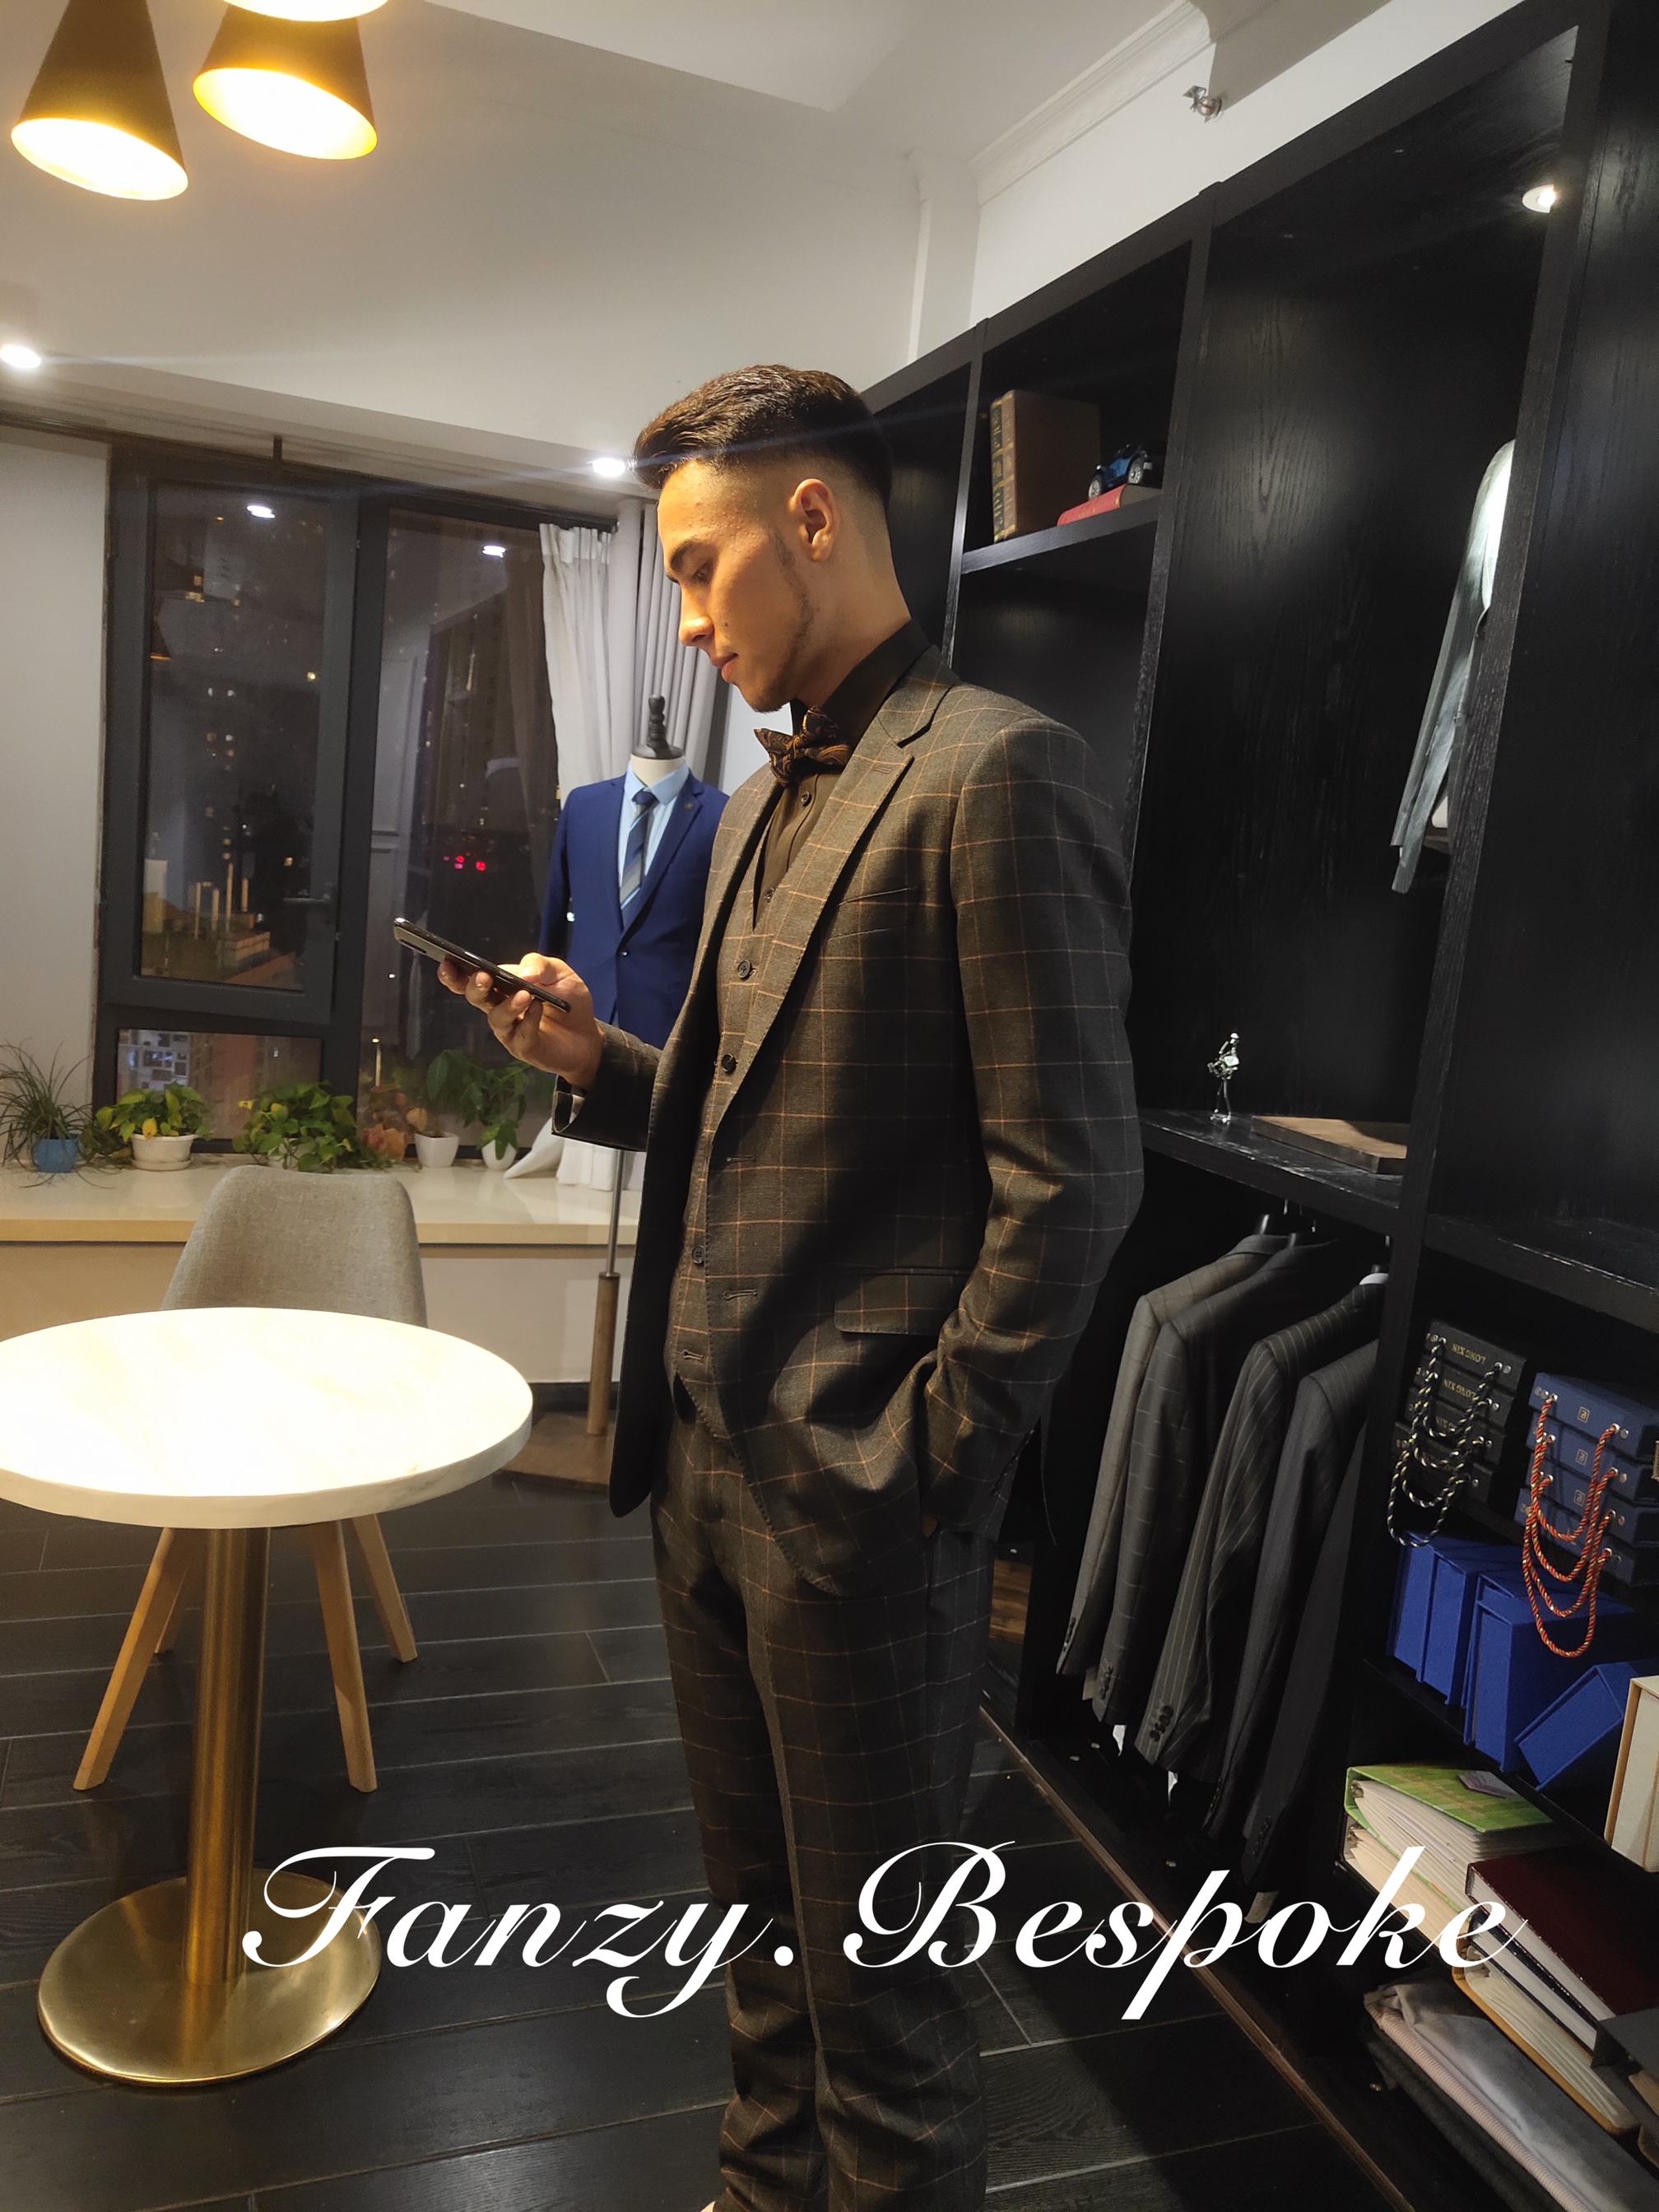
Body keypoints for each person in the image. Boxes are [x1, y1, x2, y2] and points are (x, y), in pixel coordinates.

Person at [441, 365, 1141, 2212]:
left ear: (811, 518)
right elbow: (741, 1106)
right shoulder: (761, 802)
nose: (683, 618)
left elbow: (1076, 1179)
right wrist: (592, 1060)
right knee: (759, 1953)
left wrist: (929, 1463)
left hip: (859, 1509)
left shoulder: (997, 776)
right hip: (701, 1480)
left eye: (697, 564)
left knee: (883, 2014)